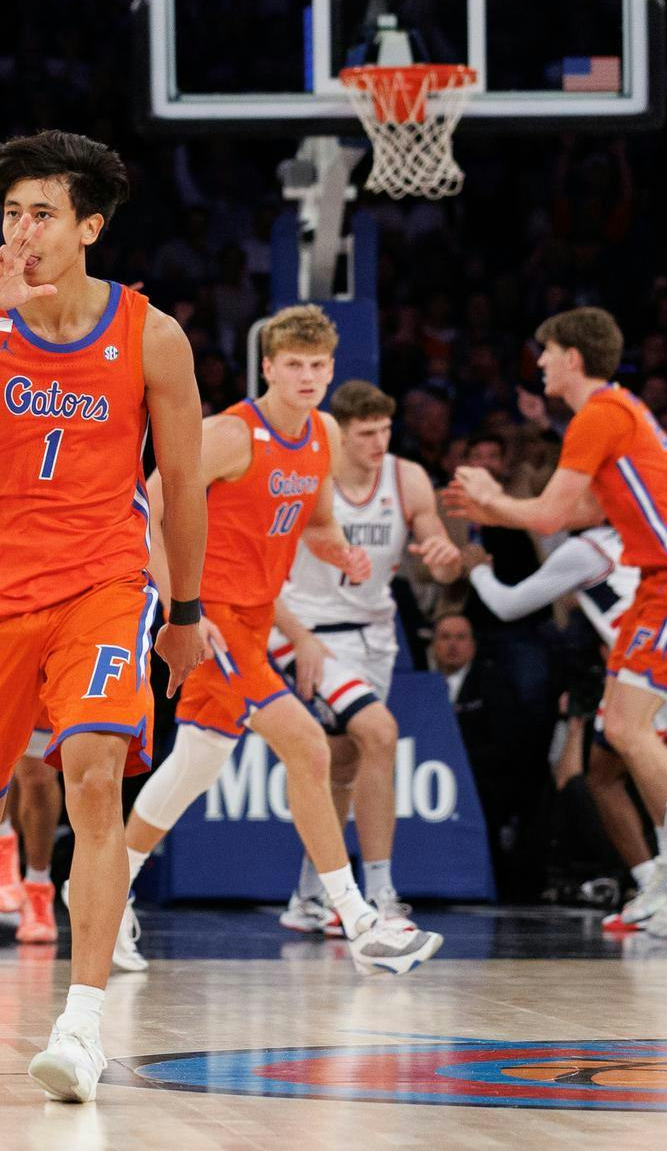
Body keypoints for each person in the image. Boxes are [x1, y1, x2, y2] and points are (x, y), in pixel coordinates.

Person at [0, 130, 211, 1102]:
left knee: (94, 779)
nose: (21, 231)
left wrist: (184, 610)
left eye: (42, 214)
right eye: (10, 213)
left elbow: (185, 488)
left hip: (99, 584)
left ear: (89, 227)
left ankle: (81, 1022)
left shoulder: (149, 335)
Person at [119, 314, 446, 974]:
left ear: (331, 369)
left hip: (256, 621)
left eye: (318, 366)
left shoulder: (323, 433)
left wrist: (344, 553)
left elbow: (318, 523)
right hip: (213, 622)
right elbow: (142, 508)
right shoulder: (229, 435)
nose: (306, 377)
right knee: (306, 745)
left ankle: (98, 888)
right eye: (293, 364)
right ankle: (360, 922)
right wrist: (184, 609)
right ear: (267, 367)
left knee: (195, 767)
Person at [445, 307, 667, 938]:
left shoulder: (599, 415)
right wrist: (502, 508)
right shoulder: (614, 412)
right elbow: (589, 509)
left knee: (631, 735)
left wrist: (492, 501)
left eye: (545, 352)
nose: (539, 363)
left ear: (573, 357)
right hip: (661, 581)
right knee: (619, 739)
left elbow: (549, 517)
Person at [466, 528, 667, 927]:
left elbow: (508, 605)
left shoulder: (586, 547)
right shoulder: (659, 532)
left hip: (652, 662)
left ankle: (662, 881)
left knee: (607, 777)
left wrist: (475, 570)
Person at [262, 377, 463, 936]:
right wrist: (295, 634)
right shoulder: (307, 475)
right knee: (379, 733)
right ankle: (379, 893)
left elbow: (437, 564)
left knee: (343, 761)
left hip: (376, 635)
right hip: (309, 634)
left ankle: (309, 895)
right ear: (338, 435)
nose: (379, 443)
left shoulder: (408, 478)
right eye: (367, 433)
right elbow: (258, 564)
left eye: (385, 430)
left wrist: (446, 560)